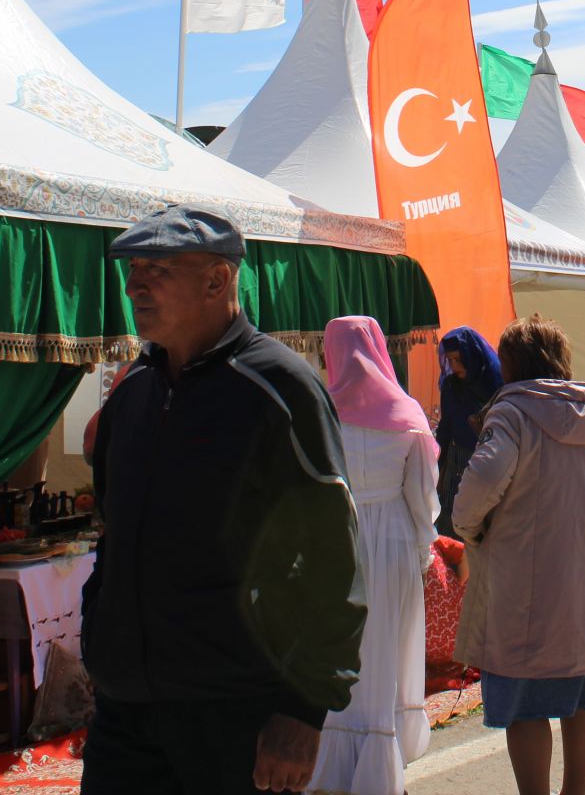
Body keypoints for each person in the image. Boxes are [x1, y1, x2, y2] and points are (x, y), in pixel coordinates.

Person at [82, 206, 364, 795]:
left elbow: (333, 557)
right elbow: (114, 532)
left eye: (155, 270)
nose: (134, 286)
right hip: (126, 714)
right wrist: (101, 642)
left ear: (217, 280)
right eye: (132, 269)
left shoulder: (280, 388)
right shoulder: (132, 392)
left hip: (237, 709)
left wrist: (304, 706)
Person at [453, 316, 585, 795]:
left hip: (526, 589)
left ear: (509, 363)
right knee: (583, 697)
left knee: (528, 704)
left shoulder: (510, 415)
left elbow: (484, 481)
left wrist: (469, 527)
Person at [310, 316, 441, 795]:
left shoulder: (321, 412)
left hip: (339, 541)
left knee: (342, 648)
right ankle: (382, 755)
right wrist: (425, 549)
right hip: (394, 542)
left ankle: (333, 758)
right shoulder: (407, 414)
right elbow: (423, 496)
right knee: (387, 647)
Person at [436, 325, 503, 536]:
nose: (454, 366)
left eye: (458, 359)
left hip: (489, 464)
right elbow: (446, 427)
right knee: (453, 527)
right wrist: (438, 465)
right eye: (450, 360)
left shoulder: (495, 385)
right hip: (457, 465)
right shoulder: (451, 386)